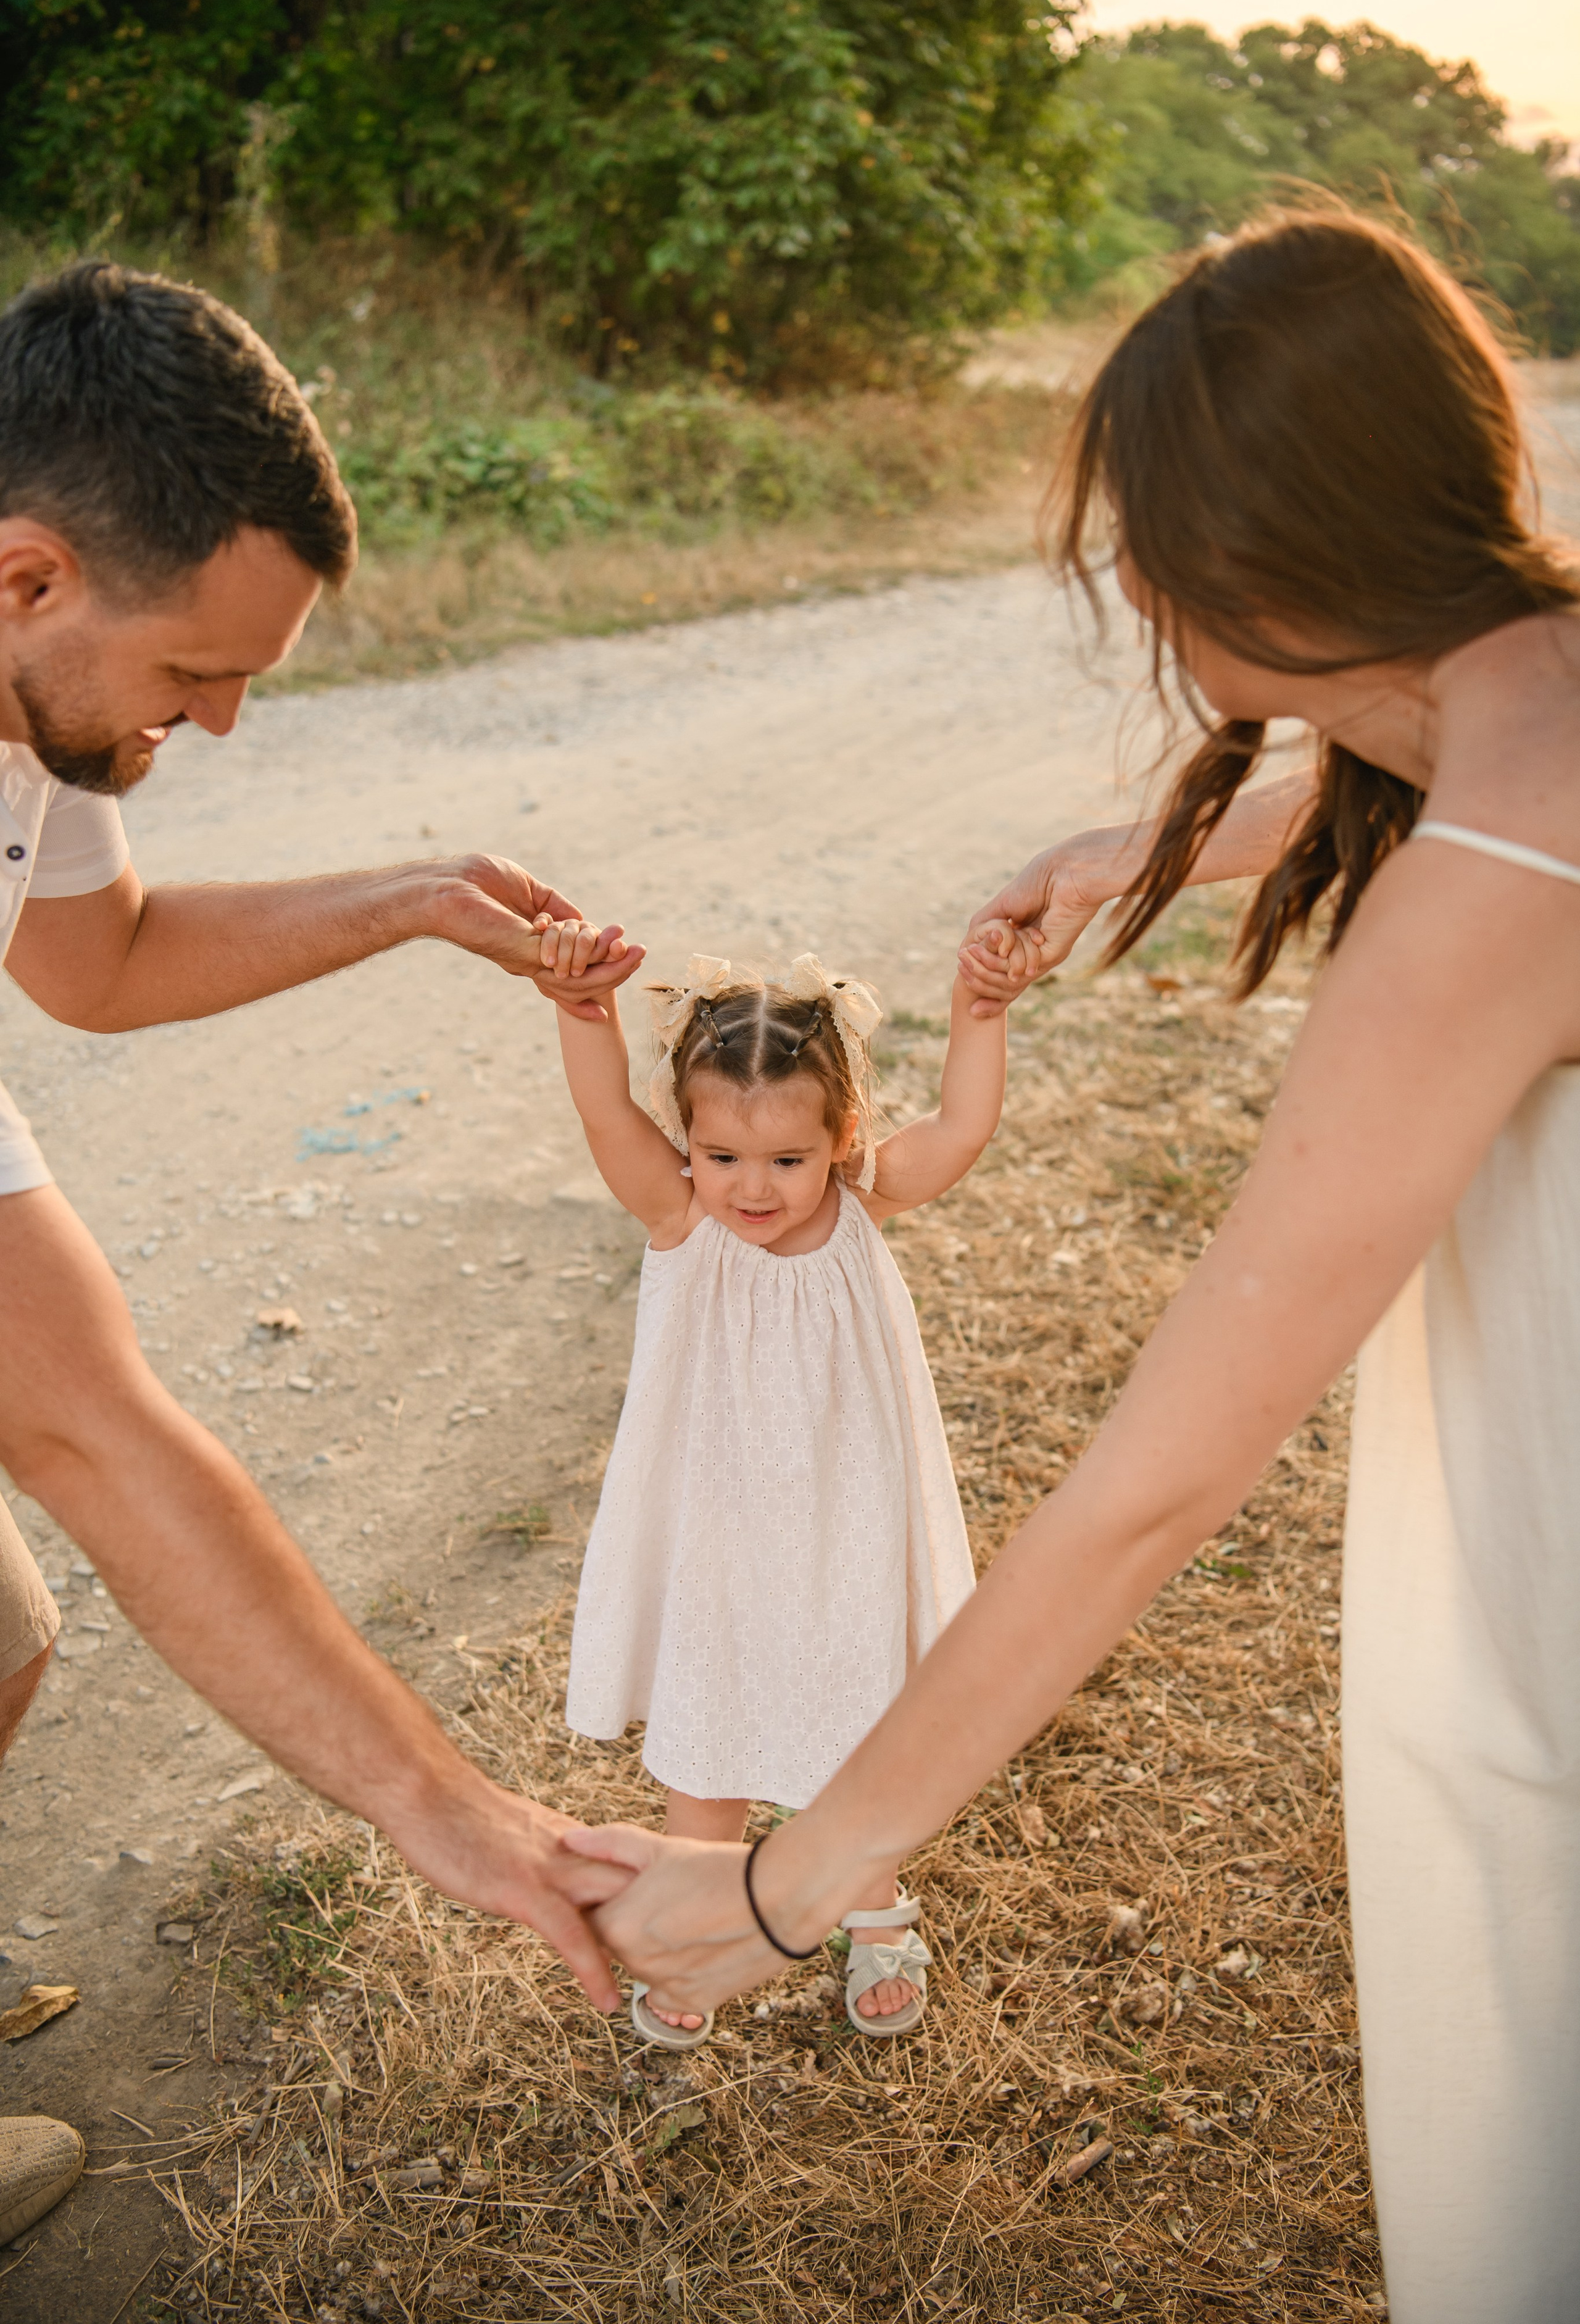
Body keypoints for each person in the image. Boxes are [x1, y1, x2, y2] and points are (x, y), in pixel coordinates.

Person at [562, 209, 1580, 2324]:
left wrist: (791, 1882)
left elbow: (1155, 1486)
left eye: (1142, 545)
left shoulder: (1483, 898)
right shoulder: (1534, 717)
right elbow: (1423, 757)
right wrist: (1153, 847)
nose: (1131, 587)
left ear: (1251, 561)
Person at [0, 260, 641, 2245]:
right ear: (29, 576)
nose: (222, 719)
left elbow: (97, 960)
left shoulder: (35, 722)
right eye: (199, 670)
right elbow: (91, 1431)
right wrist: (449, 1809)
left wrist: (415, 897)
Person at [542, 935, 1036, 2044]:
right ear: (688, 1140)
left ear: (842, 1138)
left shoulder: (864, 1202)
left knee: (854, 1707)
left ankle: (869, 1909)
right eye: (720, 1155)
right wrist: (583, 1012)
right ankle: (696, 1923)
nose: (751, 1188)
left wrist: (981, 1010)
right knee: (709, 1711)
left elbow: (963, 1128)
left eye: (786, 1161)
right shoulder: (681, 1218)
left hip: (847, 1519)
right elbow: (605, 1115)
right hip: (720, 1526)